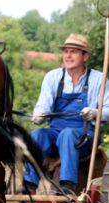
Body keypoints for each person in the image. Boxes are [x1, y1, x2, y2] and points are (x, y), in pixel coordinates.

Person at [23, 33, 109, 194]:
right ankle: (29, 186)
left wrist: (95, 113)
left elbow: (108, 110)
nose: (68, 56)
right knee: (37, 135)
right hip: (56, 133)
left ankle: (67, 186)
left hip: (86, 135)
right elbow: (43, 104)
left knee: (68, 135)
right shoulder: (53, 77)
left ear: (85, 56)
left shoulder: (99, 79)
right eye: (66, 51)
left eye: (74, 51)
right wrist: (39, 115)